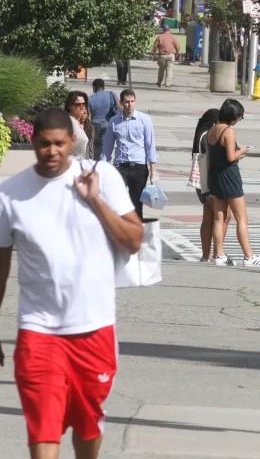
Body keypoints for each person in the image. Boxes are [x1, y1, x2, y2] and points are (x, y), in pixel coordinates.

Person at [0, 107, 143, 459]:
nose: (52, 151)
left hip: (93, 329)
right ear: (33, 142)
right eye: (45, 144)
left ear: (72, 142)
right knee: (43, 428)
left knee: (87, 424)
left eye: (59, 144)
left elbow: (134, 239)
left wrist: (94, 200)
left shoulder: (102, 177)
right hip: (38, 332)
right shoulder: (9, 196)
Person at [206, 99, 260, 268]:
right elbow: (231, 157)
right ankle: (249, 256)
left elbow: (217, 154)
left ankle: (218, 255)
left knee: (220, 217)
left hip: (215, 175)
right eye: (239, 117)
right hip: (229, 176)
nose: (238, 120)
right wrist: (242, 150)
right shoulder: (228, 131)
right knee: (242, 218)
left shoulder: (213, 129)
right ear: (233, 116)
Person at [100, 89, 157, 219]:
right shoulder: (114, 122)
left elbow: (150, 145)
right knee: (116, 202)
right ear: (121, 103)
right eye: (126, 102)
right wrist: (102, 168)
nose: (130, 105)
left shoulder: (144, 120)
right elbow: (107, 148)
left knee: (136, 205)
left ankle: (137, 235)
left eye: (132, 101)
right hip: (121, 167)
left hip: (139, 167)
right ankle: (119, 233)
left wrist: (154, 171)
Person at [192, 108, 230, 262]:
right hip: (209, 181)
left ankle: (206, 255)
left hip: (202, 182)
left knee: (208, 217)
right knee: (223, 217)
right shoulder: (208, 136)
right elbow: (211, 160)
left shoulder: (201, 135)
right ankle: (216, 253)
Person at [88, 79, 119, 159]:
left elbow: (87, 114)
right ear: (103, 87)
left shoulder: (90, 98)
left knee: (96, 148)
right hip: (108, 125)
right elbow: (118, 107)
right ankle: (105, 162)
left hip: (95, 125)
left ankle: (96, 163)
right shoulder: (111, 94)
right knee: (107, 145)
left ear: (94, 88)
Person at [64, 90, 95, 160]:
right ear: (69, 105)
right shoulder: (68, 122)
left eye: (84, 104)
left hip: (82, 165)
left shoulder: (80, 122)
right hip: (71, 165)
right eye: (78, 104)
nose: (82, 107)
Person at [152, 24, 180, 88]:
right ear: (169, 30)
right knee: (169, 70)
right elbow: (178, 47)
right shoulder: (172, 37)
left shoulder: (159, 37)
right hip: (170, 55)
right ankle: (167, 84)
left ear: (163, 30)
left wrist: (153, 55)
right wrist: (177, 54)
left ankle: (159, 82)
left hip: (161, 56)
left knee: (161, 69)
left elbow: (155, 47)